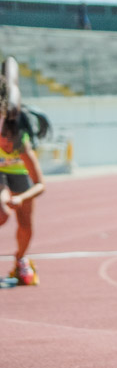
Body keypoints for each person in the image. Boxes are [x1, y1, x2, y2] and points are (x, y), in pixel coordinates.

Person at [0, 57, 48, 286]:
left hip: (19, 175)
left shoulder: (22, 144)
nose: (6, 148)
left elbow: (40, 184)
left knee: (25, 222)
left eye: (10, 146)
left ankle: (21, 260)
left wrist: (20, 197)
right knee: (2, 214)